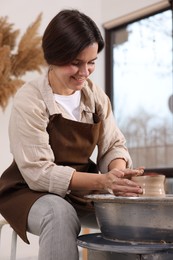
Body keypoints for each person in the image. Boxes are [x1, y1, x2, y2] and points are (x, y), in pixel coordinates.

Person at [0, 9, 144, 260]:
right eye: (75, 62)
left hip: (80, 192)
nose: (85, 72)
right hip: (28, 191)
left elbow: (113, 145)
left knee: (127, 217)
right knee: (60, 213)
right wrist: (103, 182)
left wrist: (117, 174)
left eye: (91, 62)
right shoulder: (30, 99)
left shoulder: (95, 95)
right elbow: (39, 174)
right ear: (52, 58)